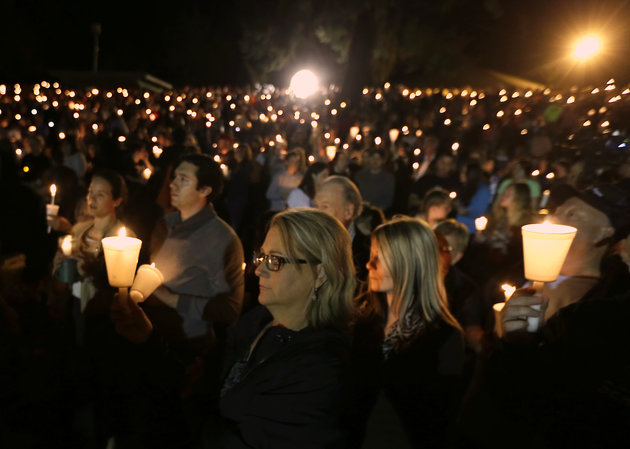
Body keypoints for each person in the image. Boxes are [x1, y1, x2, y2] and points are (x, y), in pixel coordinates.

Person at [111, 208, 357, 448]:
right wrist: (147, 339)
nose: (258, 270)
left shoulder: (319, 368)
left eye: (276, 260)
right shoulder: (257, 323)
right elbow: (198, 387)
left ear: (320, 273)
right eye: (261, 256)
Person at [351, 216, 464, 449]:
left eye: (379, 257)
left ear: (409, 263)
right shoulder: (361, 319)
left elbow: (438, 423)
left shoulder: (443, 337)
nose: (368, 265)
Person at [149, 154, 245, 346]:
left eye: (183, 180)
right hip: (151, 335)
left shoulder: (223, 239)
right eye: (174, 177)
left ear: (204, 190)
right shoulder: (164, 226)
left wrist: (171, 298)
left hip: (191, 345)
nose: (173, 185)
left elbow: (230, 309)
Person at [314, 175, 370, 283]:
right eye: (315, 206)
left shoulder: (368, 255)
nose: (317, 213)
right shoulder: (305, 244)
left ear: (348, 212)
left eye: (325, 207)